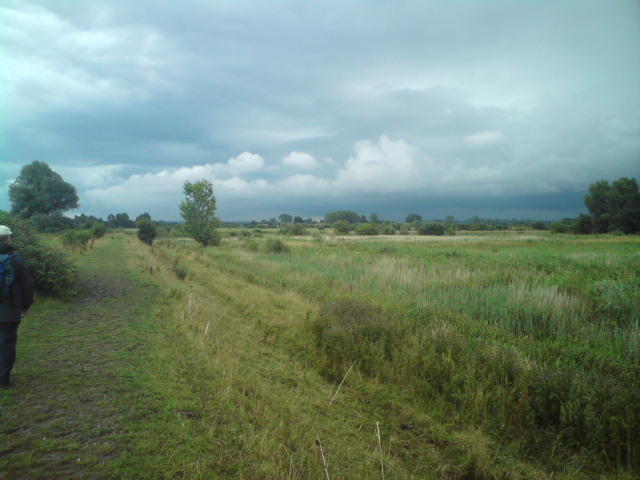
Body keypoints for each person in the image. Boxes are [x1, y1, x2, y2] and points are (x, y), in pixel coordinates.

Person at [0, 225, 34, 389]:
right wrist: (25, 306)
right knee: (7, 344)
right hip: (9, 311)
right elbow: (27, 286)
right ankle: (3, 379)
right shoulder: (16, 260)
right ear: (7, 239)